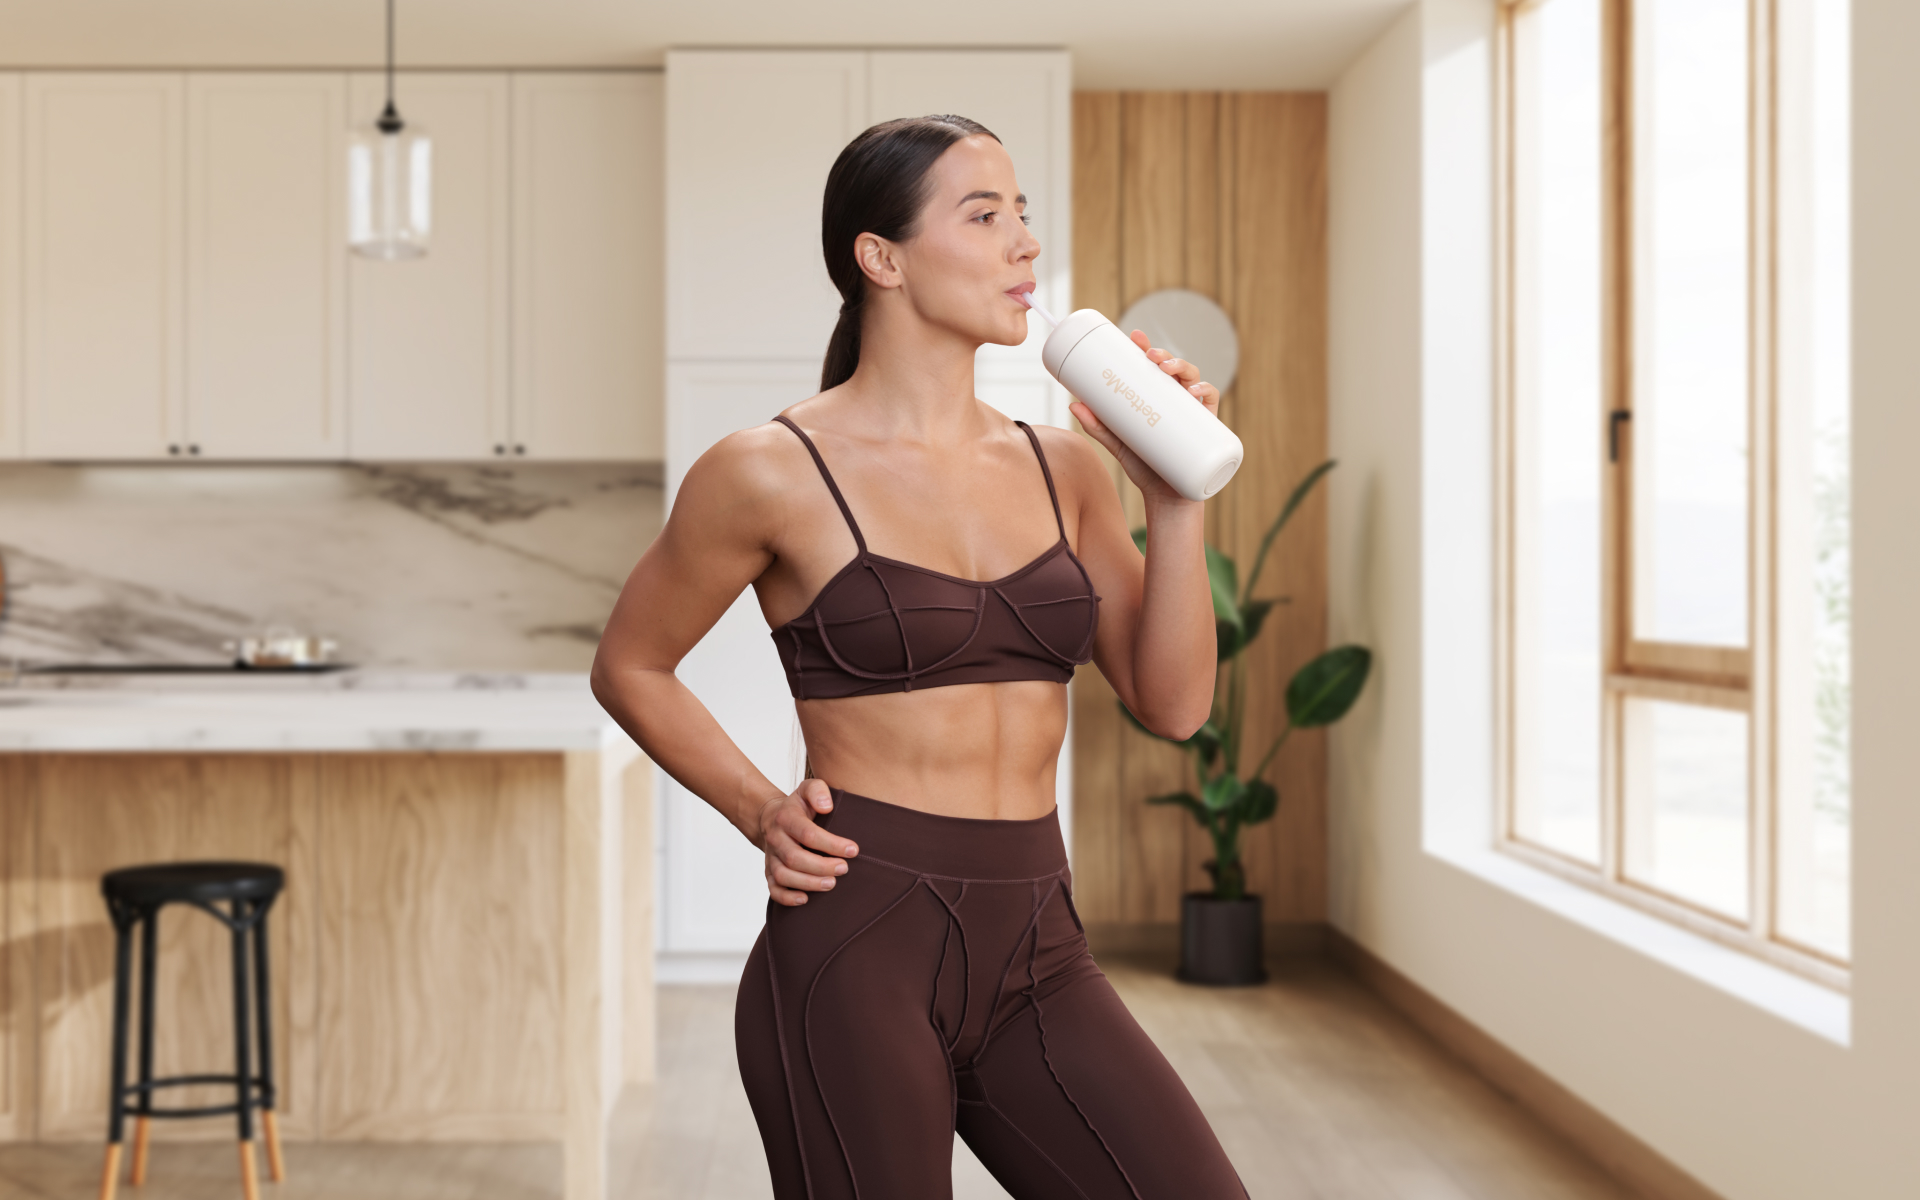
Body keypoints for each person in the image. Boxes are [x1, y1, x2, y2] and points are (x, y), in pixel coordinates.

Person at [591, 113, 1249, 1200]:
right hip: (859, 942)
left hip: (1040, 941)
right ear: (880, 257)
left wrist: (1172, 501)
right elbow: (631, 665)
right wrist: (759, 808)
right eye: (984, 216)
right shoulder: (770, 470)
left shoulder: (1069, 470)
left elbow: (1175, 707)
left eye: (1024, 215)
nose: (1024, 245)